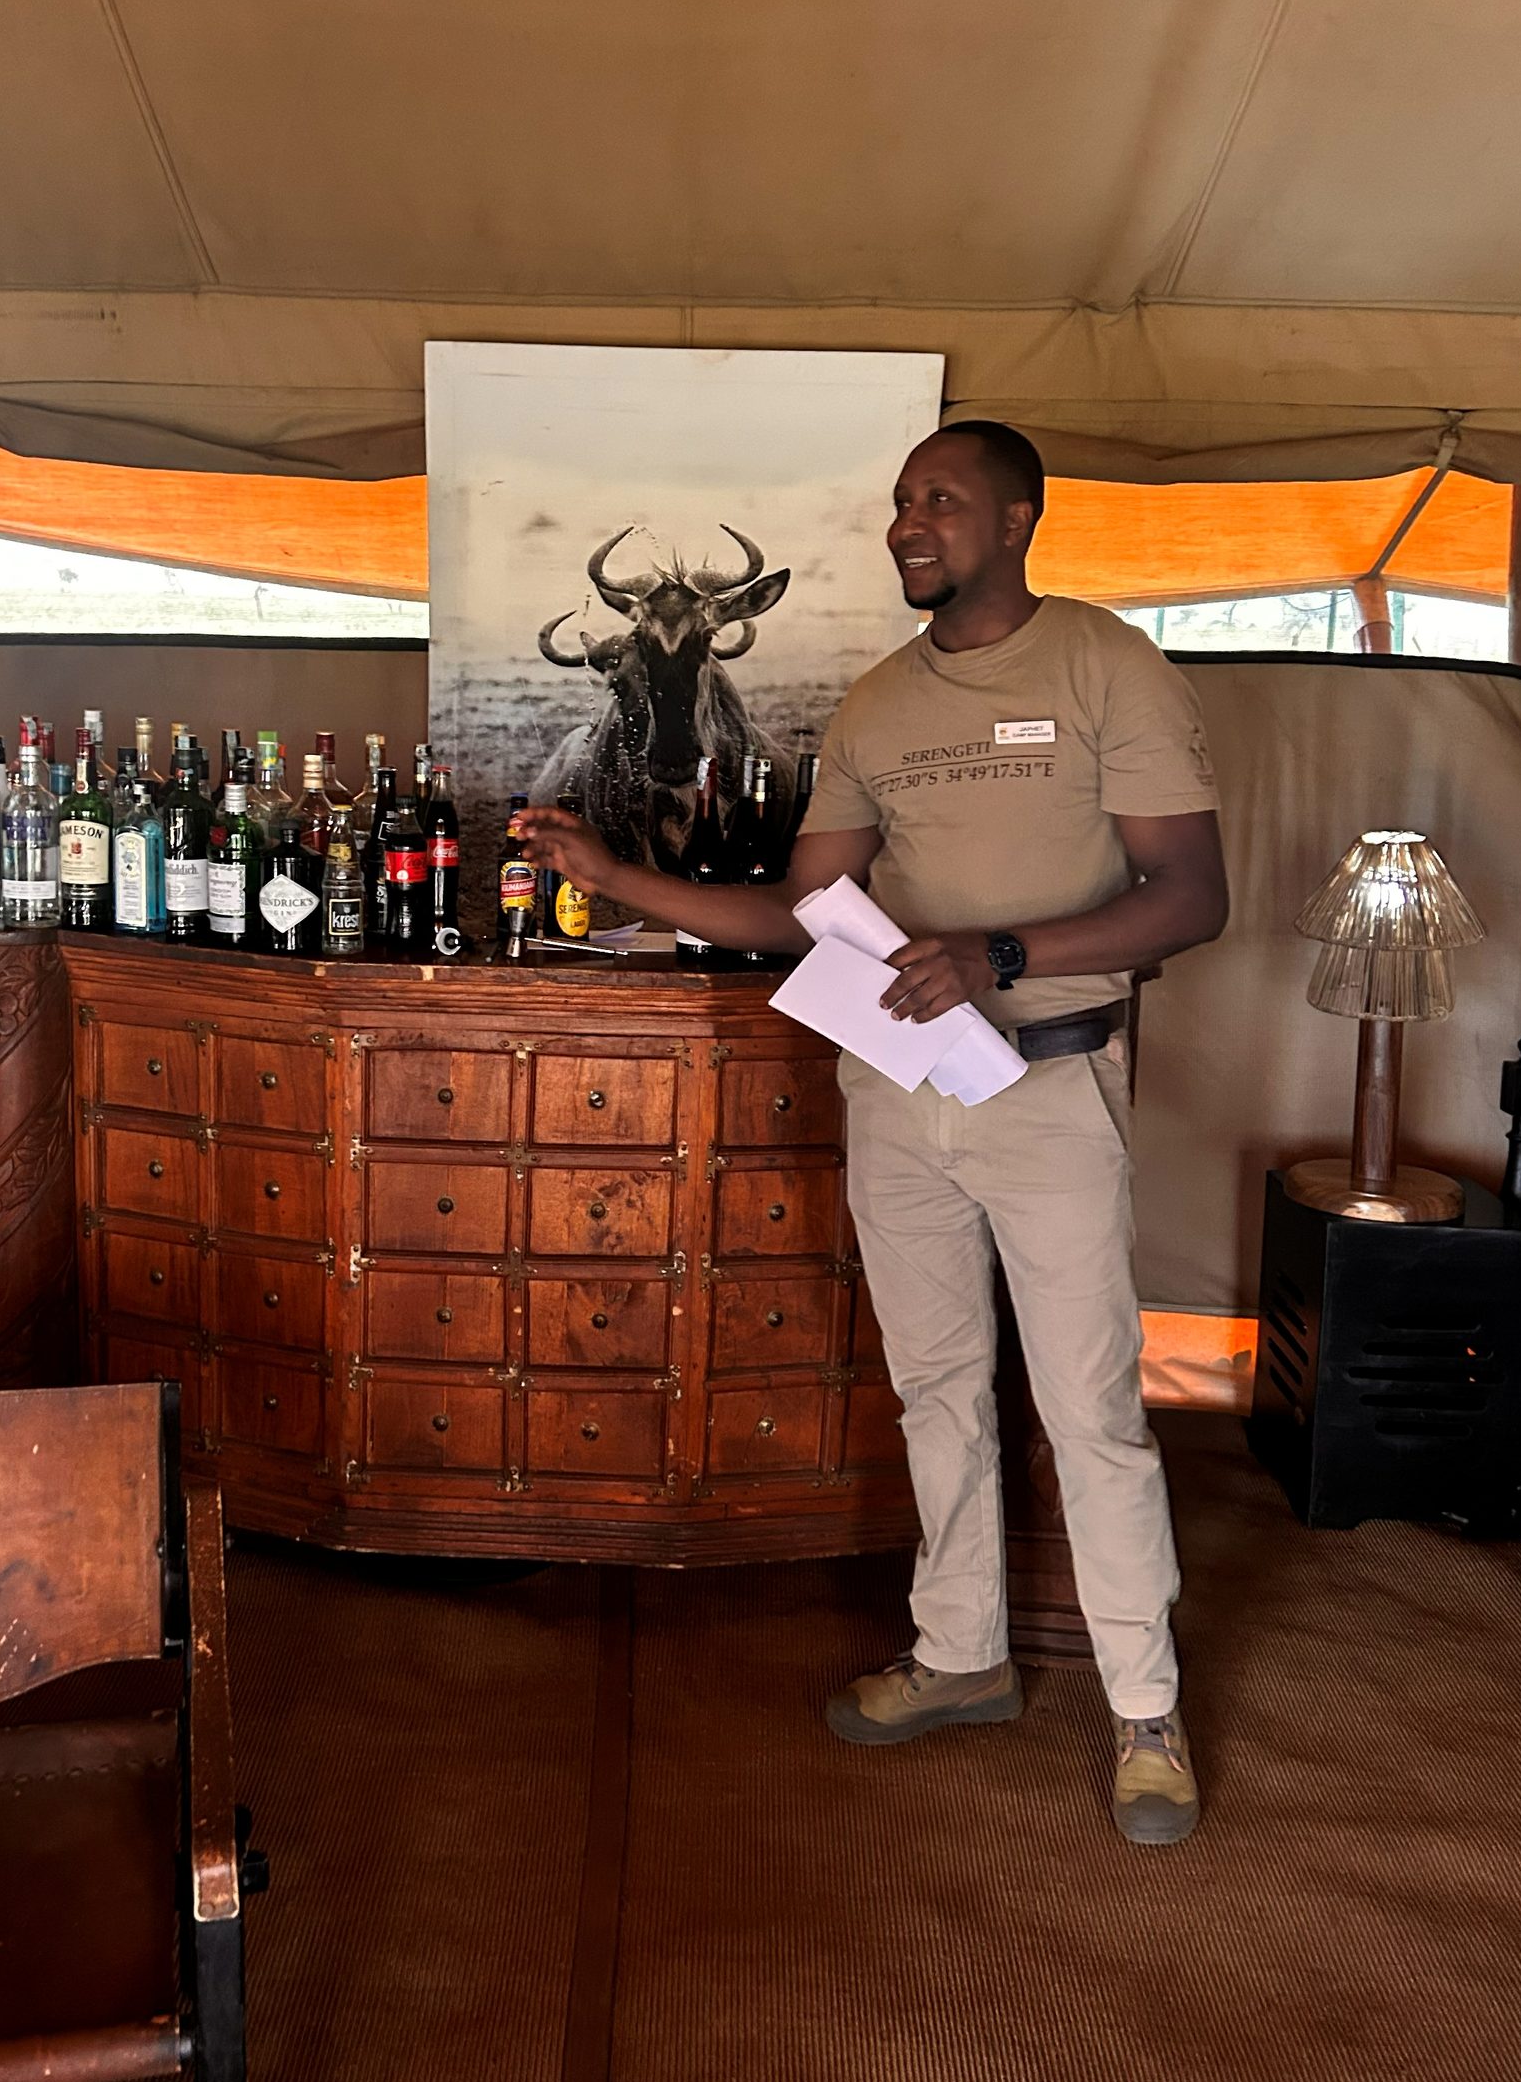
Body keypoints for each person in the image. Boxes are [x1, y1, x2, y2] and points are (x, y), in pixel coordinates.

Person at [518, 421, 1226, 1845]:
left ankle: (1146, 1708)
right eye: (902, 502)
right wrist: (618, 876)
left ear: (1019, 518)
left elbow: (1189, 897)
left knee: (1088, 1407)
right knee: (939, 1384)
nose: (912, 524)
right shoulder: (877, 704)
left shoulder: (1106, 667)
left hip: (1047, 1082)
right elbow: (801, 909)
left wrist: (997, 954)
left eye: (943, 501)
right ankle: (962, 1655)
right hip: (898, 1089)